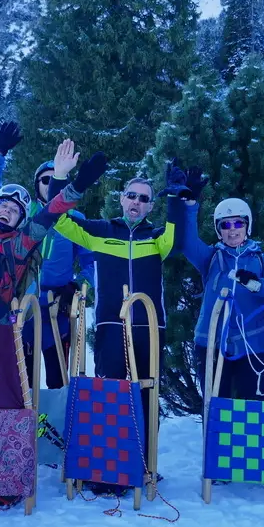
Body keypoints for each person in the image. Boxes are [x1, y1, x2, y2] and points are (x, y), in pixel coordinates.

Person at [0, 121, 107, 509]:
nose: (6, 210)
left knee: (1, 400)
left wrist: (75, 182)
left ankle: (7, 481)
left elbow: (52, 213)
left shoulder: (21, 242)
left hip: (0, 331)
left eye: (14, 209)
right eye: (2, 205)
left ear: (20, 219)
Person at [54, 159, 185, 494]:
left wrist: (174, 197)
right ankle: (108, 468)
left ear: (150, 206)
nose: (137, 202)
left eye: (144, 198)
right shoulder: (100, 231)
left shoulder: (156, 237)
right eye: (132, 195)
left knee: (147, 395)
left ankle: (144, 465)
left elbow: (175, 238)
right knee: (110, 394)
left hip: (149, 327)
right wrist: (61, 177)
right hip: (111, 324)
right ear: (122, 198)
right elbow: (59, 221)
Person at [0, 121, 95, 388]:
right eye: (44, 180)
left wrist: (77, 287)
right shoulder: (24, 215)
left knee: (58, 377)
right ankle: (22, 414)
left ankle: (55, 415)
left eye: (55, 178)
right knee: (20, 376)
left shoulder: (76, 218)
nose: (50, 184)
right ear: (37, 185)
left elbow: (90, 262)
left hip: (58, 305)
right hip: (21, 305)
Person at [171, 185, 264, 402]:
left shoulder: (262, 258)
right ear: (219, 230)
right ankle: (213, 427)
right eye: (226, 225)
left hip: (252, 345)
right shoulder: (211, 257)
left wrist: (255, 284)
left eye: (238, 223)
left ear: (247, 225)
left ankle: (250, 429)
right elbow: (187, 242)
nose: (232, 230)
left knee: (253, 408)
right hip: (211, 343)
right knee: (215, 406)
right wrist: (191, 206)